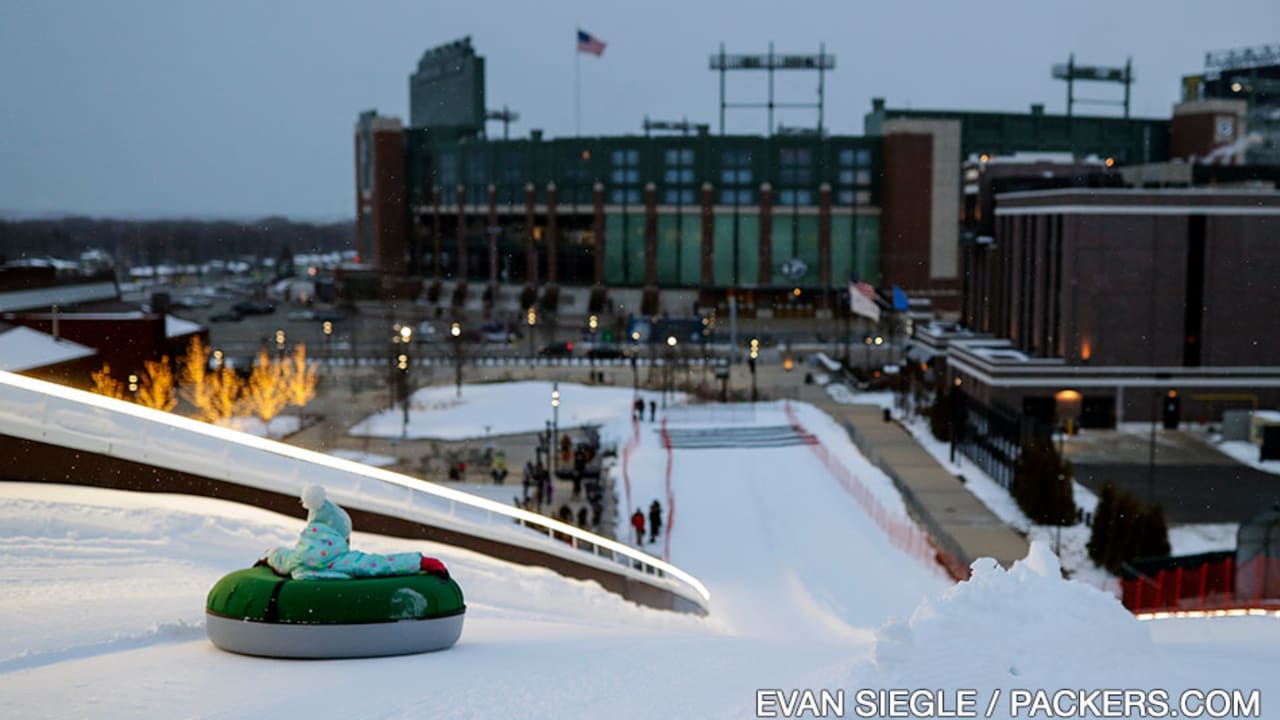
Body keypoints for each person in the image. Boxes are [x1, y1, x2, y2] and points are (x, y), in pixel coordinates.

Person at [262, 485, 448, 580]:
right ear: (339, 536)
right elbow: (382, 564)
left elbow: (277, 556)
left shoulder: (295, 559)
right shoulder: (345, 561)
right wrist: (421, 562)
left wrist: (267, 557)